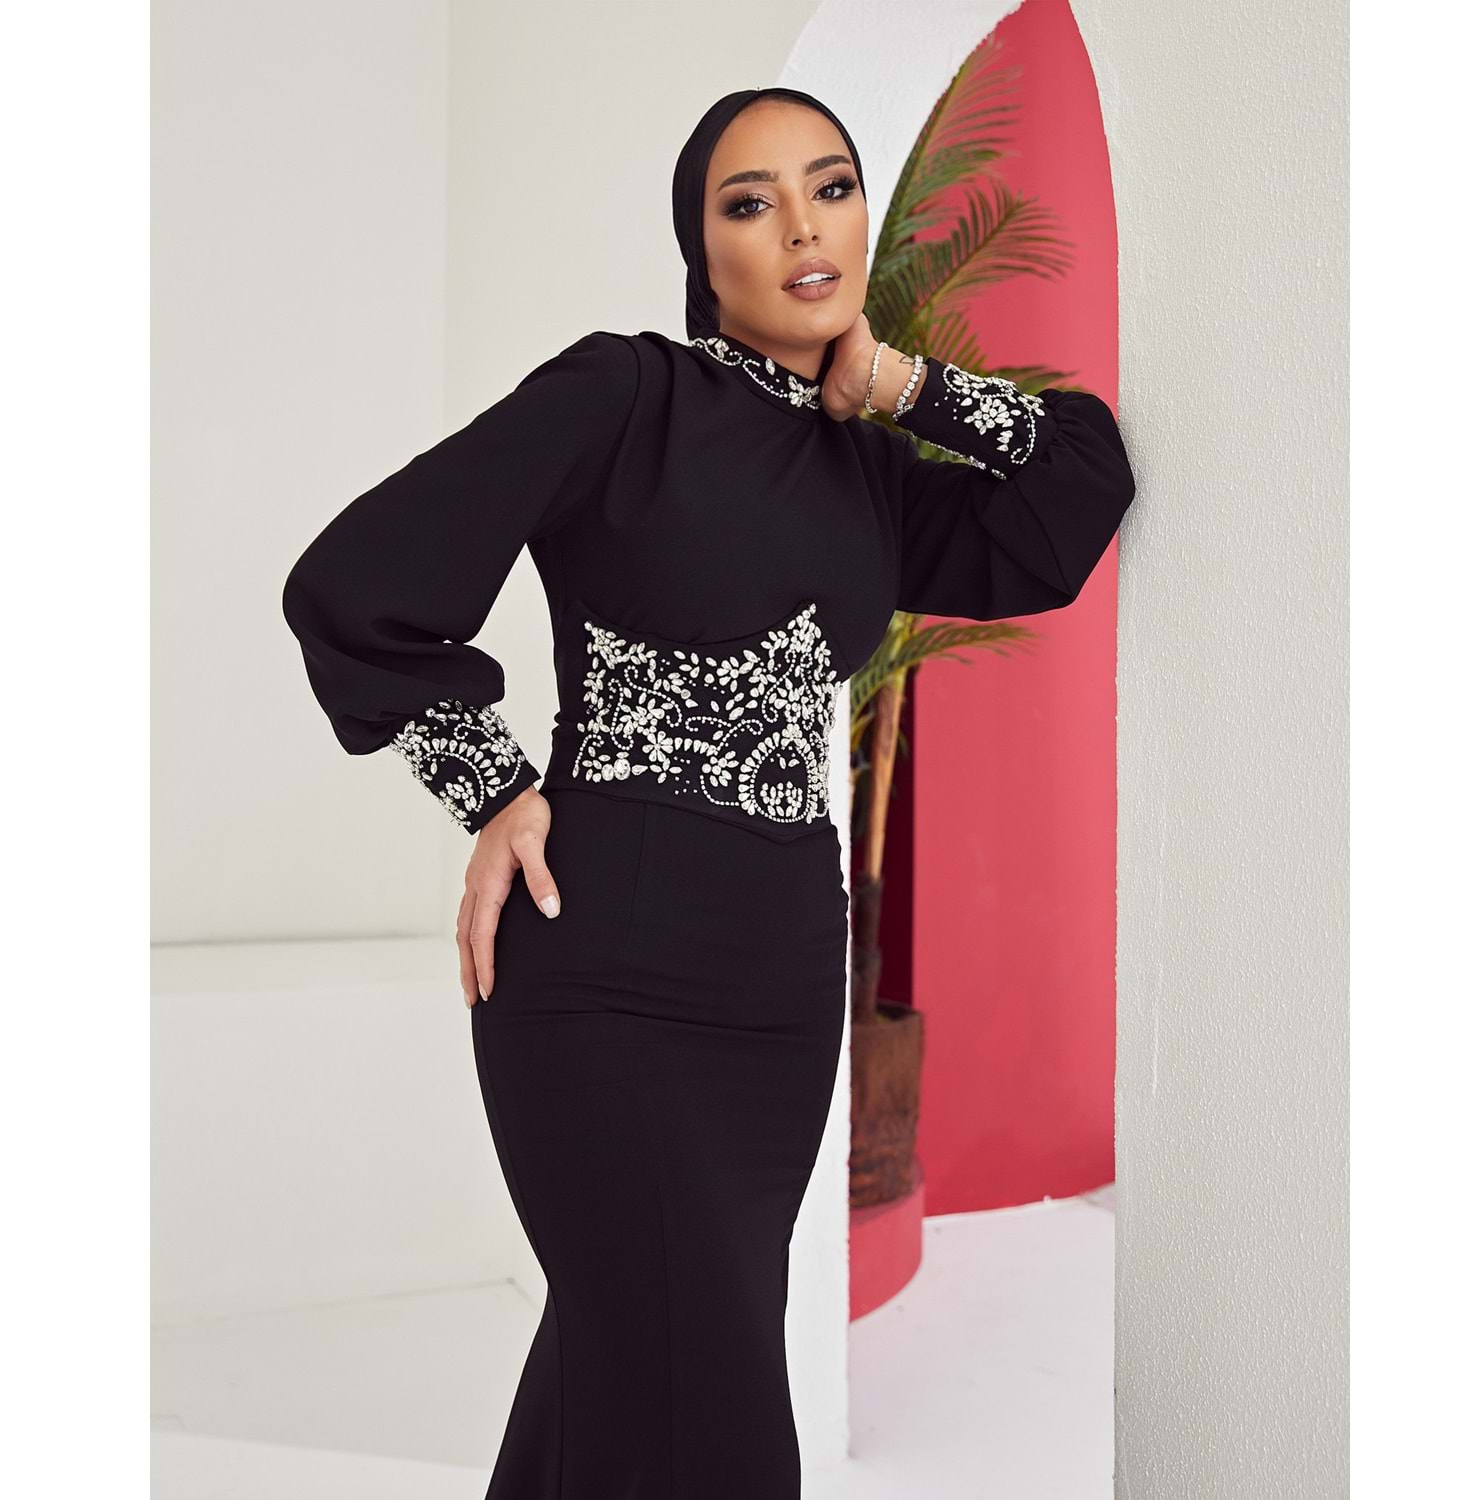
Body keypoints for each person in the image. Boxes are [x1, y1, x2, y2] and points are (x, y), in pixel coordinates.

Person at [282, 85, 1135, 1500]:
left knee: (625, 1379)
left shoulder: (873, 475)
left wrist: (900, 385)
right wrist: (491, 786)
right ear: (704, 248)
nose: (802, 227)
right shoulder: (626, 397)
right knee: (702, 1407)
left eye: (831, 187)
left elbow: (1077, 493)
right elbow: (355, 584)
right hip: (602, 957)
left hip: (778, 982)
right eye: (751, 202)